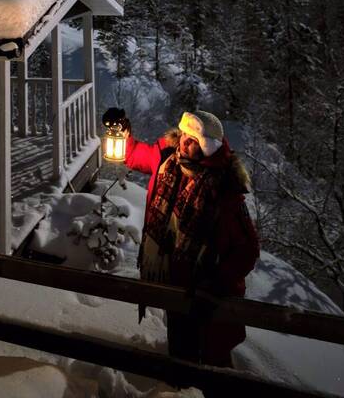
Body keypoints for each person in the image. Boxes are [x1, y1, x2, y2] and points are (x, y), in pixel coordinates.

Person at [105, 107, 259, 367]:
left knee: (211, 361)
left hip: (208, 296)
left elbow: (247, 250)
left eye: (194, 140)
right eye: (185, 135)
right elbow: (134, 155)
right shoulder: (168, 159)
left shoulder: (223, 187)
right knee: (180, 352)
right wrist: (122, 132)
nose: (185, 142)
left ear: (208, 148)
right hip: (175, 283)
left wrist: (215, 284)